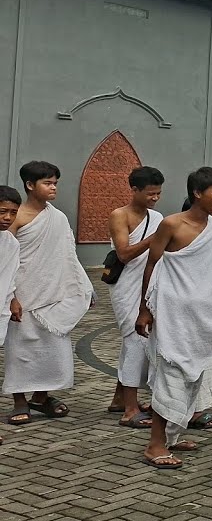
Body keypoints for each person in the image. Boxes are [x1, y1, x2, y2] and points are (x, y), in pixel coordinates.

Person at [135, 167, 212, 469]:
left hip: (202, 314)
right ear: (197, 193)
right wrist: (144, 308)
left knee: (194, 378)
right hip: (173, 313)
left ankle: (173, 436)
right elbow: (152, 264)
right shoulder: (171, 224)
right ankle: (155, 445)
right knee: (171, 377)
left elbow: (203, 270)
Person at [4, 161, 94, 426]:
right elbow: (6, 258)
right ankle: (20, 401)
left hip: (54, 294)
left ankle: (41, 397)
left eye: (55, 182)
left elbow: (68, 257)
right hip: (23, 293)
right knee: (20, 350)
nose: (53, 187)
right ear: (30, 185)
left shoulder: (59, 217)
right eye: (47, 182)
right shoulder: (16, 216)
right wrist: (12, 297)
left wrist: (82, 288)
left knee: (54, 348)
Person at [105, 166, 165, 428]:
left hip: (150, 284)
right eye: (150, 193)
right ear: (134, 190)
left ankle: (120, 398)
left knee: (142, 342)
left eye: (158, 194)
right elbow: (124, 254)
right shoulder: (120, 215)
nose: (154, 198)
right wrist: (155, 237)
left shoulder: (158, 216)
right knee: (134, 340)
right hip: (127, 285)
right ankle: (130, 409)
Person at [0, 185, 20, 444]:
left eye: (13, 213)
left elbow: (10, 277)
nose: (7, 217)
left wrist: (13, 299)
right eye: (2, 211)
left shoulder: (10, 243)